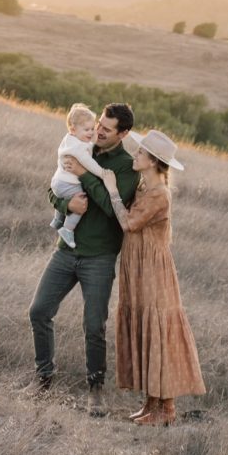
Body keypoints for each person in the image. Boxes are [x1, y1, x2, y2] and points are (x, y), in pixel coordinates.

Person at [28, 101, 139, 412]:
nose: (99, 131)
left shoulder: (126, 167)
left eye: (107, 129)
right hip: (67, 251)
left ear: (123, 134)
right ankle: (43, 380)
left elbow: (112, 207)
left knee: (93, 326)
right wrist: (67, 206)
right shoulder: (81, 145)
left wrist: (84, 174)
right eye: (99, 124)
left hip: (99, 257)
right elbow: (54, 188)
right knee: (39, 311)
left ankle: (95, 390)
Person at [91, 129, 207, 425]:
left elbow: (129, 223)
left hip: (153, 270)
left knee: (156, 329)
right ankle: (151, 403)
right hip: (137, 267)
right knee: (143, 325)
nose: (136, 155)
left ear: (153, 161)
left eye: (141, 152)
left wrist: (112, 190)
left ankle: (166, 408)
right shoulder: (145, 187)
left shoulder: (159, 194)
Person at [48, 103, 107, 249]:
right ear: (73, 129)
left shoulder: (69, 139)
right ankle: (67, 229)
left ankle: (57, 219)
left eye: (92, 128)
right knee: (80, 203)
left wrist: (92, 140)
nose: (91, 132)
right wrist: (102, 173)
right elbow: (88, 162)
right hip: (68, 184)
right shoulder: (78, 148)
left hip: (57, 181)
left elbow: (86, 146)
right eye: (86, 129)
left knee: (64, 198)